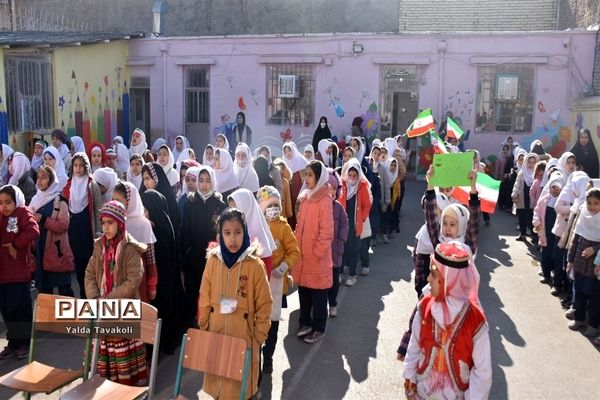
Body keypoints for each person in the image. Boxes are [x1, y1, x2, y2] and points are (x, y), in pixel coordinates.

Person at [198, 208, 272, 399]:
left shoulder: (255, 265)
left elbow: (265, 304)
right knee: (219, 387)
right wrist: (204, 325)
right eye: (227, 233)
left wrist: (258, 336)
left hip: (244, 338)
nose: (233, 239)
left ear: (245, 232)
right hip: (216, 334)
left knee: (241, 388)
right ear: (220, 235)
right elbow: (204, 296)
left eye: (238, 233)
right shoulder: (213, 261)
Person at [403, 241, 492, 400]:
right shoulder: (425, 306)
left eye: (434, 274)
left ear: (452, 280)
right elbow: (414, 344)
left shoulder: (475, 320)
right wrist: (410, 379)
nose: (429, 278)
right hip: (423, 392)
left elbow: (482, 371)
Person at [84, 201, 148, 386]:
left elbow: (133, 280)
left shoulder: (130, 249)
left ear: (120, 223)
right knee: (103, 353)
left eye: (110, 223)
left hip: (123, 311)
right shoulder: (99, 247)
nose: (106, 227)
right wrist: (95, 298)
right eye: (103, 223)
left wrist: (108, 299)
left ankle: (125, 390)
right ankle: (103, 387)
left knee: (123, 356)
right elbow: (89, 273)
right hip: (101, 308)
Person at [256, 185, 300, 376]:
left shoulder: (284, 227)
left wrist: (285, 266)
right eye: (269, 205)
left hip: (277, 284)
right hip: (259, 283)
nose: (273, 209)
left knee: (273, 324)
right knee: (258, 321)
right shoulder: (255, 225)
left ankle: (269, 356)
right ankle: (256, 354)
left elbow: (294, 251)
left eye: (276, 205)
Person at [180, 165, 226, 328]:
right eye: (201, 180)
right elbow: (184, 232)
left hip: (214, 259)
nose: (204, 185)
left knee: (212, 295)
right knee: (192, 295)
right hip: (193, 259)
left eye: (207, 181)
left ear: (213, 181)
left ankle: (211, 327)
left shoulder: (220, 204)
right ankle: (188, 331)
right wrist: (187, 253)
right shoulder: (190, 203)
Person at [140, 189, 186, 354]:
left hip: (163, 282)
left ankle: (162, 344)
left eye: (146, 210)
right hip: (157, 281)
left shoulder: (162, 229)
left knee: (162, 313)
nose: (143, 214)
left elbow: (162, 258)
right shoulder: (153, 226)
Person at [293, 160, 334, 343]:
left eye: (310, 175)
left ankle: (318, 327)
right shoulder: (305, 198)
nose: (307, 178)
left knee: (318, 295)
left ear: (319, 177)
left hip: (317, 259)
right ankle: (305, 323)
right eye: (306, 174)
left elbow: (327, 232)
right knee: (304, 291)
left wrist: (317, 253)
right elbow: (299, 226)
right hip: (303, 256)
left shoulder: (324, 200)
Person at [0, 185, 39, 360]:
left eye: (8, 202)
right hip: (2, 273)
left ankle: (25, 343)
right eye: (1, 203)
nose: (4, 207)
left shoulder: (22, 213)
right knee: (7, 309)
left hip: (18, 270)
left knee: (21, 308)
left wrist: (16, 245)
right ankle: (13, 342)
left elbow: (33, 230)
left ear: (17, 200)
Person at [29, 166, 74, 296]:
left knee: (64, 290)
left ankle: (70, 315)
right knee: (44, 291)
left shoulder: (59, 201)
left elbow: (63, 225)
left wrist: (43, 219)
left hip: (56, 250)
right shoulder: (35, 200)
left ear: (52, 180)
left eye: (44, 177)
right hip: (40, 249)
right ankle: (47, 317)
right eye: (38, 177)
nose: (40, 181)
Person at [63, 153, 102, 298]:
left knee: (90, 265)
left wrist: (99, 232)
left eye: (81, 165)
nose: (78, 169)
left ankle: (93, 296)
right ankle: (83, 296)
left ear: (86, 167)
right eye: (75, 165)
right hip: (73, 228)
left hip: (87, 229)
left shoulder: (92, 185)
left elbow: (98, 210)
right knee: (79, 265)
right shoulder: (68, 185)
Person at [112, 182, 157, 305]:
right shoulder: (113, 222)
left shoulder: (143, 225)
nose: (115, 203)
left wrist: (152, 285)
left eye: (119, 200)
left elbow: (150, 259)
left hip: (138, 279)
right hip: (116, 277)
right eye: (113, 199)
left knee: (137, 314)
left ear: (129, 201)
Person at [566, 188, 600, 337]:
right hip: (580, 264)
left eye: (596, 203)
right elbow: (575, 240)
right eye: (589, 203)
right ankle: (579, 318)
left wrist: (594, 248)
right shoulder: (583, 217)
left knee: (594, 298)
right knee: (578, 293)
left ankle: (593, 324)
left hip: (595, 268)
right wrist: (570, 260)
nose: (592, 207)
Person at [338, 158, 372, 286]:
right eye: (350, 175)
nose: (352, 178)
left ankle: (352, 275)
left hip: (355, 226)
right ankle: (340, 273)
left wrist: (362, 218)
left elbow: (366, 205)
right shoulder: (342, 185)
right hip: (342, 225)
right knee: (341, 250)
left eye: (355, 175)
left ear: (358, 175)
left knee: (353, 251)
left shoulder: (362, 186)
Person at [228, 188, 277, 277]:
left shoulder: (258, 236)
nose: (232, 214)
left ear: (246, 208)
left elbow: (264, 279)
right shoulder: (232, 231)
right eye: (230, 209)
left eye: (236, 209)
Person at [533, 173, 565, 285]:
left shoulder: (564, 202)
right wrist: (537, 223)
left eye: (558, 188)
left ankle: (557, 284)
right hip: (545, 232)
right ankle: (546, 275)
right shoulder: (544, 199)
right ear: (549, 187)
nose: (555, 191)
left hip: (557, 235)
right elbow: (537, 212)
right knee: (545, 255)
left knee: (557, 258)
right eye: (553, 187)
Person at [326, 170, 348, 318]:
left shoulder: (338, 207)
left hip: (335, 251)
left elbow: (345, 224)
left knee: (334, 280)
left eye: (334, 188)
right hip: (322, 252)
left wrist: (341, 239)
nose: (331, 191)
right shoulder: (319, 206)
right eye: (328, 188)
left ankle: (332, 303)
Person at [140, 162, 181, 236]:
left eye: (148, 179)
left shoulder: (167, 199)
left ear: (156, 178)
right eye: (144, 179)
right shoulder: (143, 198)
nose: (145, 183)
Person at [512, 153, 540, 241]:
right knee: (522, 216)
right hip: (522, 198)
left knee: (531, 217)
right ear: (526, 162)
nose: (531, 164)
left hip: (533, 200)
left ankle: (534, 234)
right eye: (529, 162)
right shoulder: (522, 172)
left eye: (533, 162)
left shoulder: (538, 174)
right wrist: (514, 194)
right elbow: (517, 184)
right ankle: (522, 234)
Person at [282, 142, 308, 229]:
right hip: (289, 196)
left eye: (289, 151)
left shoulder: (303, 163)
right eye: (285, 152)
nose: (287, 153)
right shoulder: (283, 166)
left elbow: (307, 182)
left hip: (300, 194)